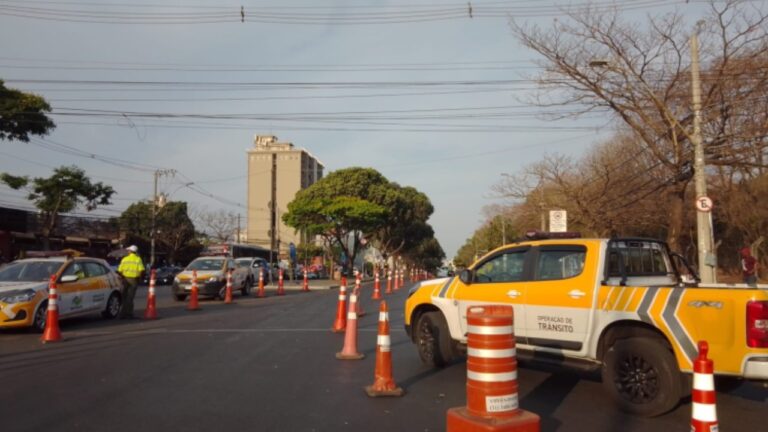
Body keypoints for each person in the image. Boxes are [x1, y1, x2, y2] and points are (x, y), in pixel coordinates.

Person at [117, 245, 145, 319]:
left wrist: (122, 277)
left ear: (130, 251)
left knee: (124, 297)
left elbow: (119, 271)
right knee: (130, 297)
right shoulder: (138, 259)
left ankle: (122, 313)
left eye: (128, 250)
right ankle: (129, 313)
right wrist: (140, 279)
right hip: (133, 280)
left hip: (125, 279)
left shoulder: (124, 259)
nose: (128, 251)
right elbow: (141, 270)